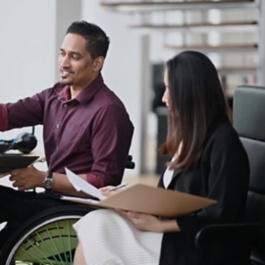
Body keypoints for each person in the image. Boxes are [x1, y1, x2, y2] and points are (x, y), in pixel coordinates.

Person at [73, 51, 250, 265]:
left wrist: (158, 226)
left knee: (99, 231)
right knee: (96, 221)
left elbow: (220, 214)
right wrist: (125, 198)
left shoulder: (223, 142)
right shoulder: (188, 137)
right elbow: (168, 198)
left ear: (189, 91)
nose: (164, 98)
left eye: (169, 89)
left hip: (199, 246)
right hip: (174, 235)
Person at [0, 21, 134, 249]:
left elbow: (103, 182)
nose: (64, 62)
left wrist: (44, 178)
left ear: (97, 63)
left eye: (75, 56)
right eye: (62, 54)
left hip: (74, 213)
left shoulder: (109, 111)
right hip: (48, 203)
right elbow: (8, 114)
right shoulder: (54, 96)